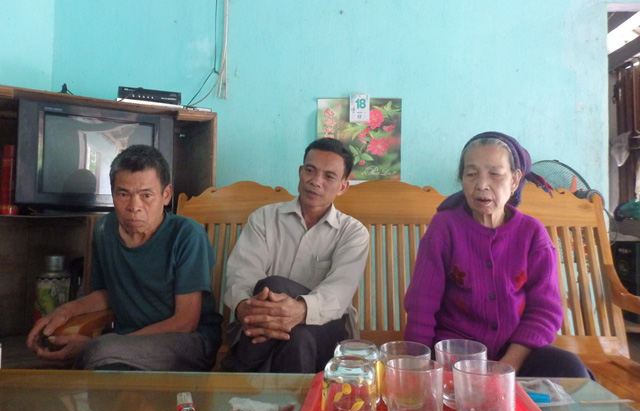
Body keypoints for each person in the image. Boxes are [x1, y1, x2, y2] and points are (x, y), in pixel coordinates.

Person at [405, 131, 592, 378]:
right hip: (456, 353)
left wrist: (507, 366)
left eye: (495, 174)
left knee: (571, 369)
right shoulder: (444, 227)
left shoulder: (532, 233)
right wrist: (417, 364)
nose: (481, 185)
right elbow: (421, 305)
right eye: (471, 174)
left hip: (516, 351)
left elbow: (545, 310)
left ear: (515, 180)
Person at [26, 144, 222, 371]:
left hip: (188, 341)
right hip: (125, 340)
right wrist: (65, 311)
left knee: (97, 354)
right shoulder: (104, 230)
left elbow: (185, 322)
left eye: (146, 195)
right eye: (123, 194)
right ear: (113, 194)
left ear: (166, 195)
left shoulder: (187, 235)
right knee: (80, 353)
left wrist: (103, 345)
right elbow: (106, 295)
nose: (134, 207)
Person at [222, 137, 369, 373]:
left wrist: (300, 310)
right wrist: (242, 306)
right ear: (301, 172)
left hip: (327, 329)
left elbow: (338, 292)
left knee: (274, 284)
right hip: (262, 324)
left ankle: (238, 371)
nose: (316, 181)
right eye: (310, 170)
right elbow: (243, 273)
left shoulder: (352, 233)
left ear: (343, 186)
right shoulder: (264, 219)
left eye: (329, 176)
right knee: (298, 338)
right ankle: (299, 400)